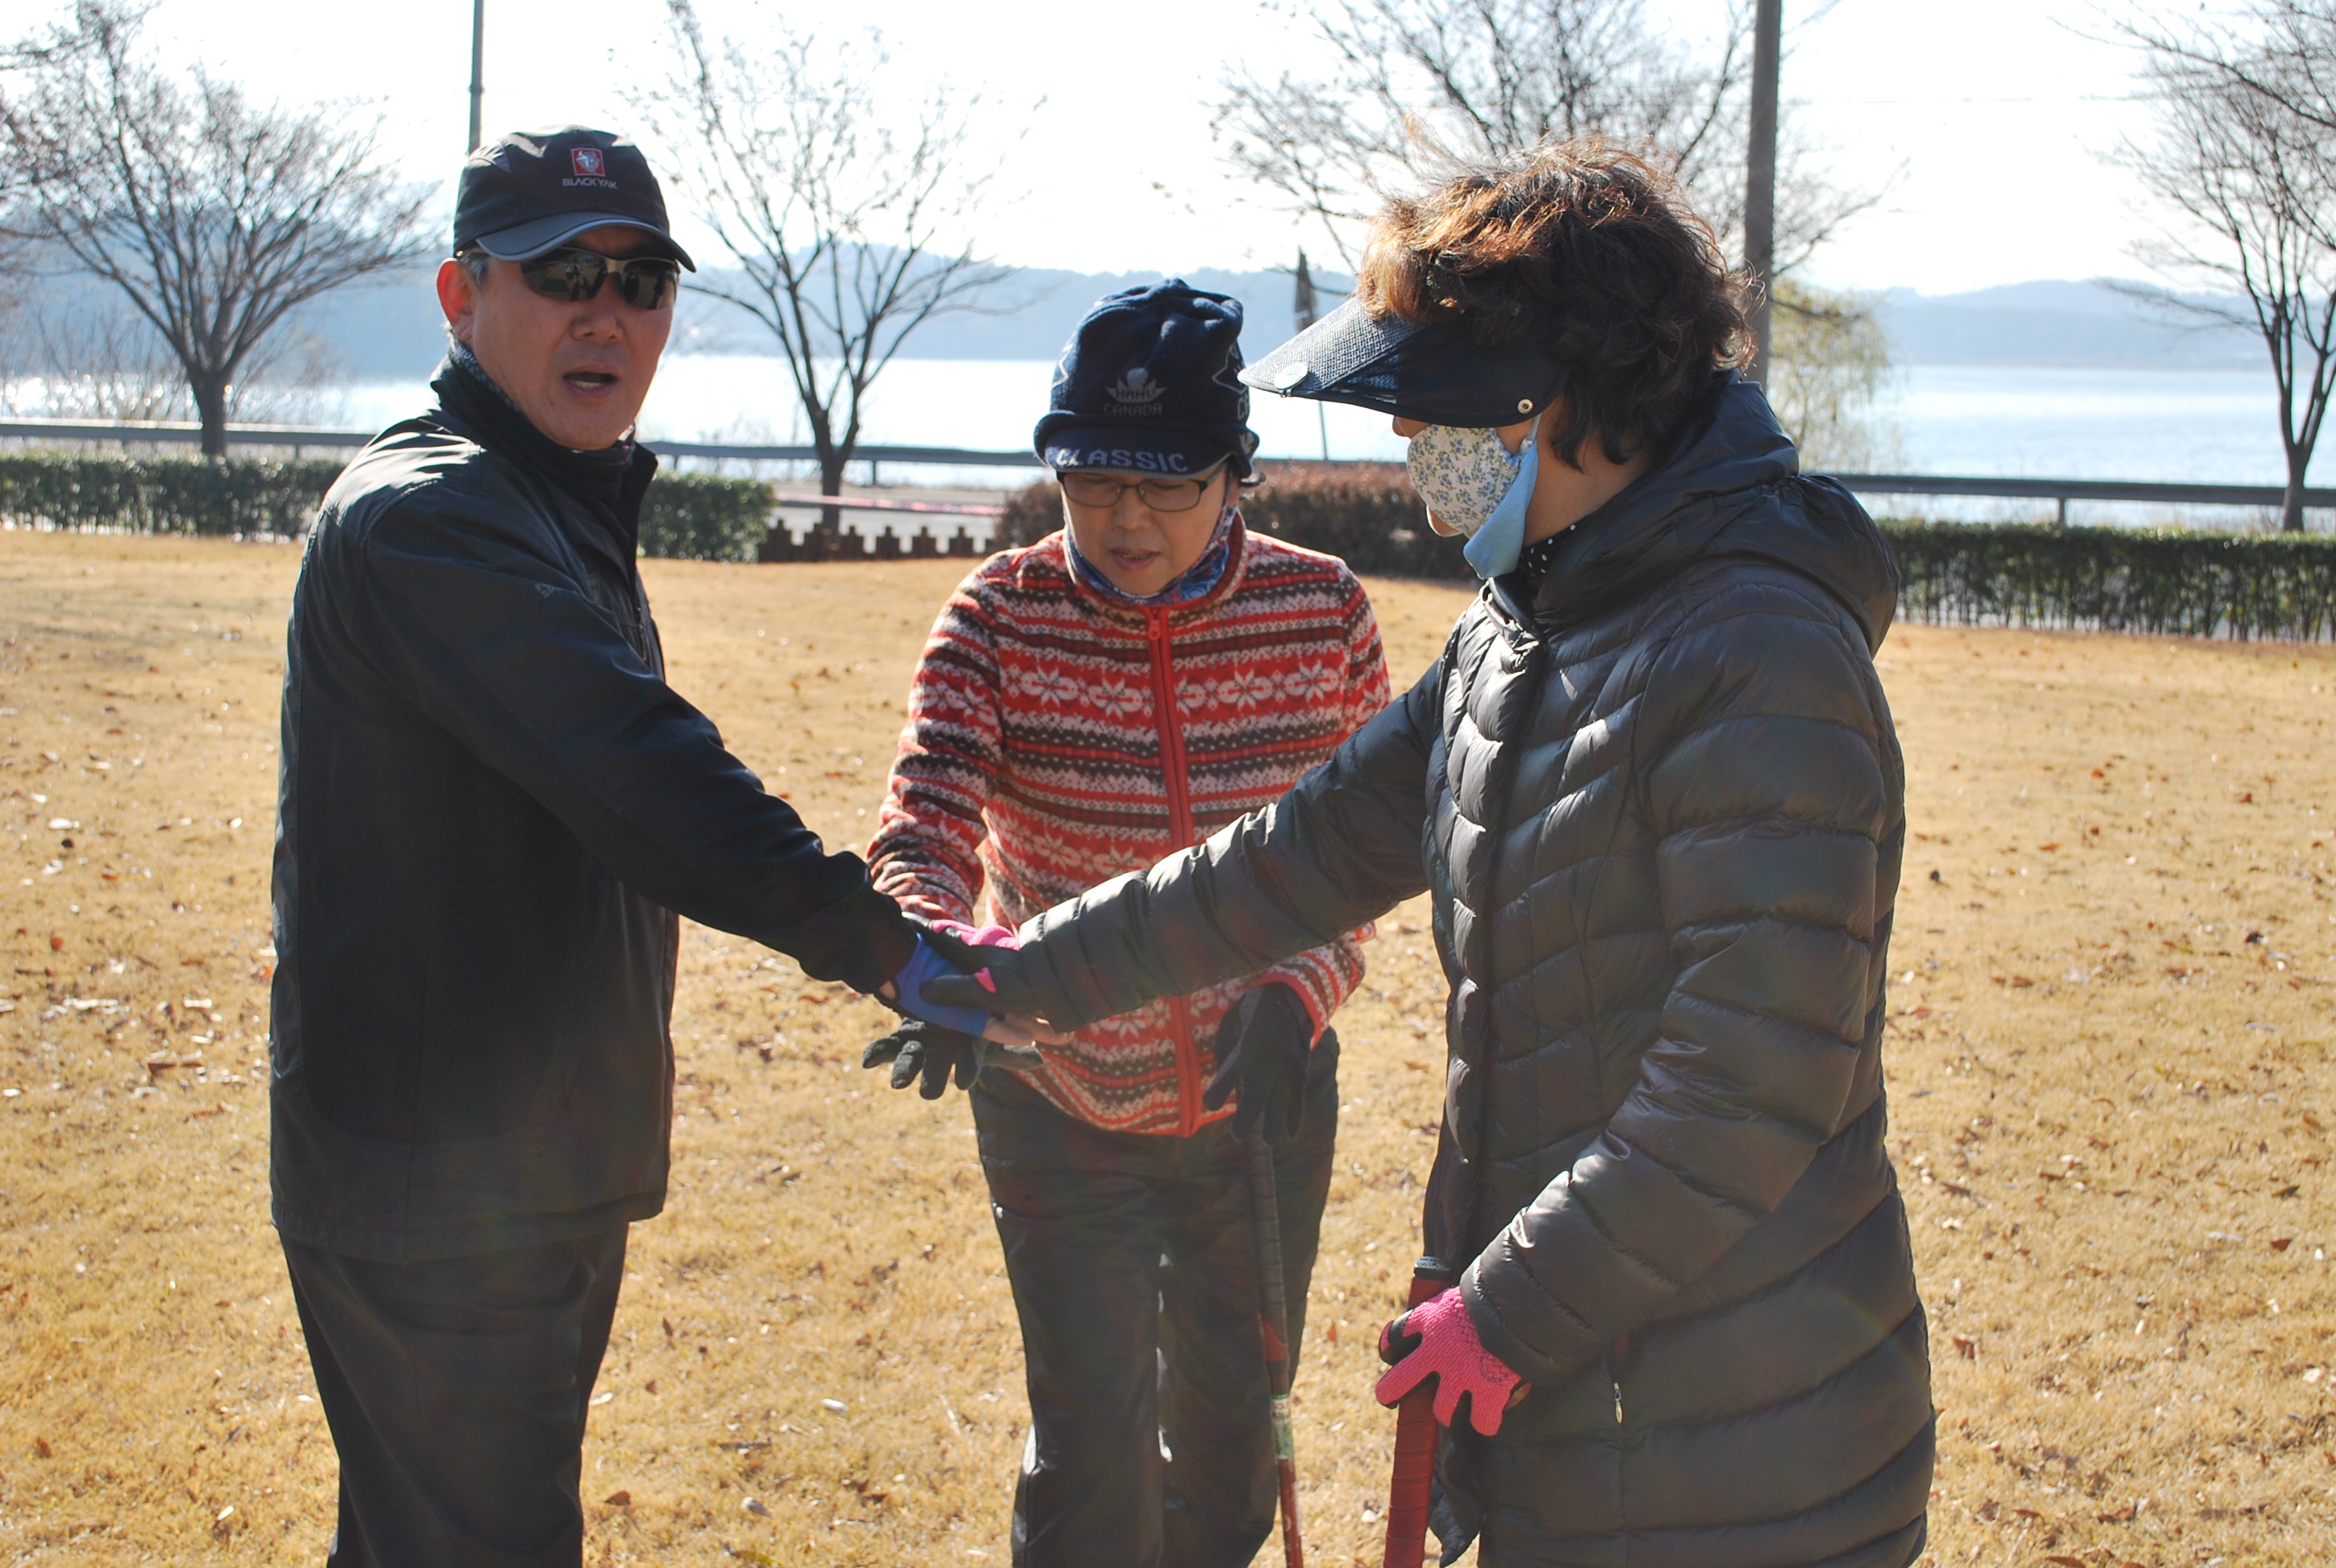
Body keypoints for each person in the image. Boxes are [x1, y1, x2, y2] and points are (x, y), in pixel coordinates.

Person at [928, 143, 1933, 1568]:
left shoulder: (1758, 652)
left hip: (1749, 1439)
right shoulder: (1521, 628)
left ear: (1550, 401)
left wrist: (1506, 1310)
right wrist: (1022, 973)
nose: (1405, 437)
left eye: (1428, 406)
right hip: (1581, 1397)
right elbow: (1288, 858)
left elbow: (1751, 1079)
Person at [269, 126, 1024, 1568]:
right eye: (560, 274)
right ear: (461, 295)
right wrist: (889, 947)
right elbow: (638, 774)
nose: (605, 313)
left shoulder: (545, 499)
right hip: (435, 1178)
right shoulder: (432, 518)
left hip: (522, 1156)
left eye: (641, 279)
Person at [860, 279, 1393, 1567]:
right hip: (1058, 1101)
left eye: (1168, 484)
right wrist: (933, 952)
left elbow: (1367, 856)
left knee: (1229, 1462)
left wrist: (1302, 988)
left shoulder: (1323, 611)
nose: (1126, 518)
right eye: (1093, 480)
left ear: (1236, 474)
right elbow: (922, 826)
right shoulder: (999, 615)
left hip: (1260, 1098)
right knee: (1090, 1456)